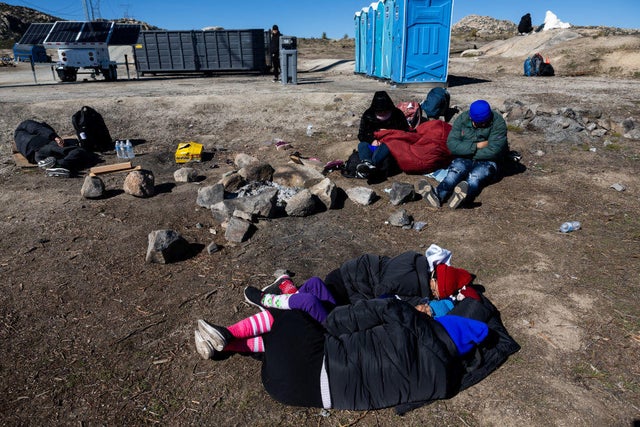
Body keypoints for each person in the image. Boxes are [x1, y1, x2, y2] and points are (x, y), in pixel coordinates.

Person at [194, 295, 519, 412]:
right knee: (285, 342)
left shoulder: (412, 324)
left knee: (290, 315)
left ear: (448, 323)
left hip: (314, 370)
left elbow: (377, 310)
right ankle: (231, 346)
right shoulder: (441, 380)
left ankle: (229, 335)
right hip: (296, 392)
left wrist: (331, 322)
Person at [424, 99, 509, 209]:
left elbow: (494, 150)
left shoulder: (498, 123)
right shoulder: (462, 119)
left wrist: (465, 149)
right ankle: (438, 195)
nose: (482, 125)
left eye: (485, 122)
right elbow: (452, 145)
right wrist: (476, 146)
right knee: (454, 173)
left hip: (488, 160)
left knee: (475, 177)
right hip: (465, 157)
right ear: (471, 118)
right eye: (479, 123)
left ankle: (463, 199)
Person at [355, 91, 410, 179]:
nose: (382, 113)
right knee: (362, 145)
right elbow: (362, 134)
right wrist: (372, 140)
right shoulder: (368, 115)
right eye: (379, 111)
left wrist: (388, 133)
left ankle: (371, 165)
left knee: (388, 146)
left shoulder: (397, 114)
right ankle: (367, 163)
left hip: (390, 144)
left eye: (385, 111)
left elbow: (405, 132)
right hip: (373, 144)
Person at [14, 119, 96, 177]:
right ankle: (59, 165)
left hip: (36, 157)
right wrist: (55, 137)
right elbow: (39, 129)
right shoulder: (25, 124)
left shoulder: (18, 138)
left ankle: (53, 166)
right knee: (79, 151)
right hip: (42, 146)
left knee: (65, 154)